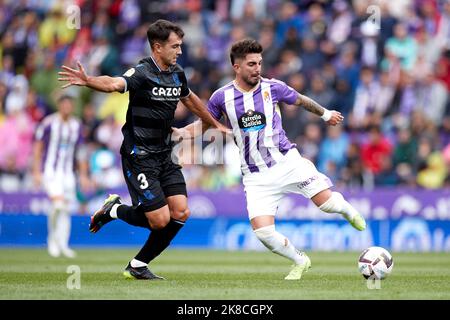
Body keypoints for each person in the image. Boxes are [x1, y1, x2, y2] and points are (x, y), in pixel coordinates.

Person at [175, 39, 366, 280]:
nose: (257, 68)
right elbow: (205, 125)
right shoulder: (221, 97)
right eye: (251, 64)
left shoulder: (272, 88)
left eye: (259, 63)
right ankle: (300, 260)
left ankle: (348, 211)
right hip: (255, 176)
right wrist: (182, 133)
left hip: (287, 163)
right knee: (263, 232)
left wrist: (326, 114)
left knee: (327, 205)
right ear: (237, 67)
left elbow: (301, 99)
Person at [58, 19, 228, 279]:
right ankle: (113, 210)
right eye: (175, 46)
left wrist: (210, 121)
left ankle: (138, 265)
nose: (180, 51)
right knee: (159, 221)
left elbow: (188, 97)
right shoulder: (141, 72)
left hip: (166, 153)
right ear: (157, 47)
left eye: (180, 46)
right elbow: (114, 84)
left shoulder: (176, 73)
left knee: (181, 212)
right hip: (140, 156)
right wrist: (89, 80)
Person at [33, 95, 90, 258]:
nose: (66, 107)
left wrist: (84, 175)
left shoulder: (76, 125)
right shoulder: (49, 123)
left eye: (69, 105)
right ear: (59, 106)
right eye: (63, 105)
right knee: (57, 205)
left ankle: (63, 244)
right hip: (51, 171)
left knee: (66, 209)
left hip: (68, 174)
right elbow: (38, 147)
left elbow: (81, 153)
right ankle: (52, 240)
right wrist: (36, 171)